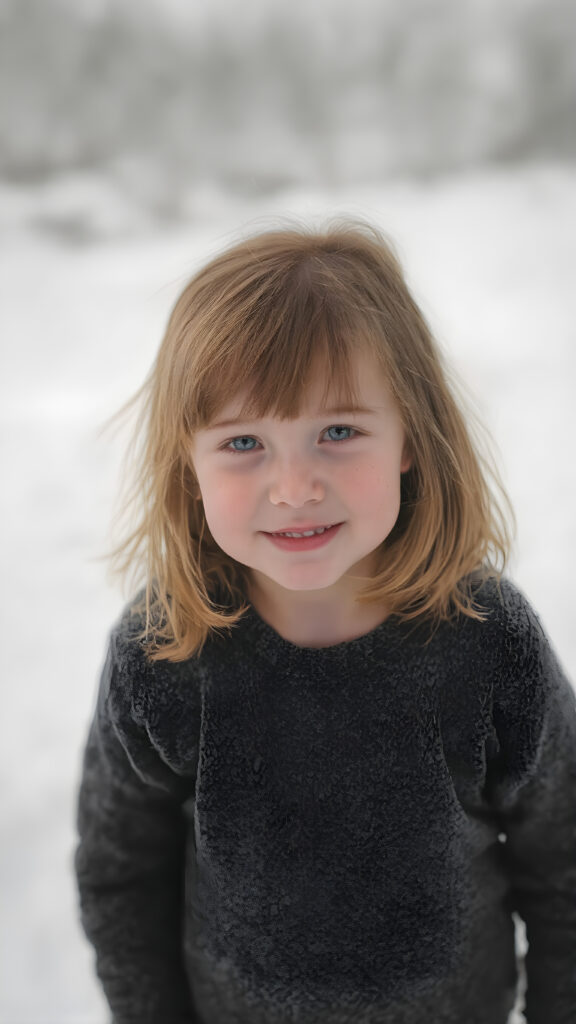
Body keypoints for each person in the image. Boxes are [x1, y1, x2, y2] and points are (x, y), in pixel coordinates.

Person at [75, 221, 576, 1024]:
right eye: (244, 442)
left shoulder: (489, 644)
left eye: (338, 432)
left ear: (411, 434)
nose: (297, 486)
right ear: (188, 461)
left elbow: (565, 872)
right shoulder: (164, 654)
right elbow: (121, 875)